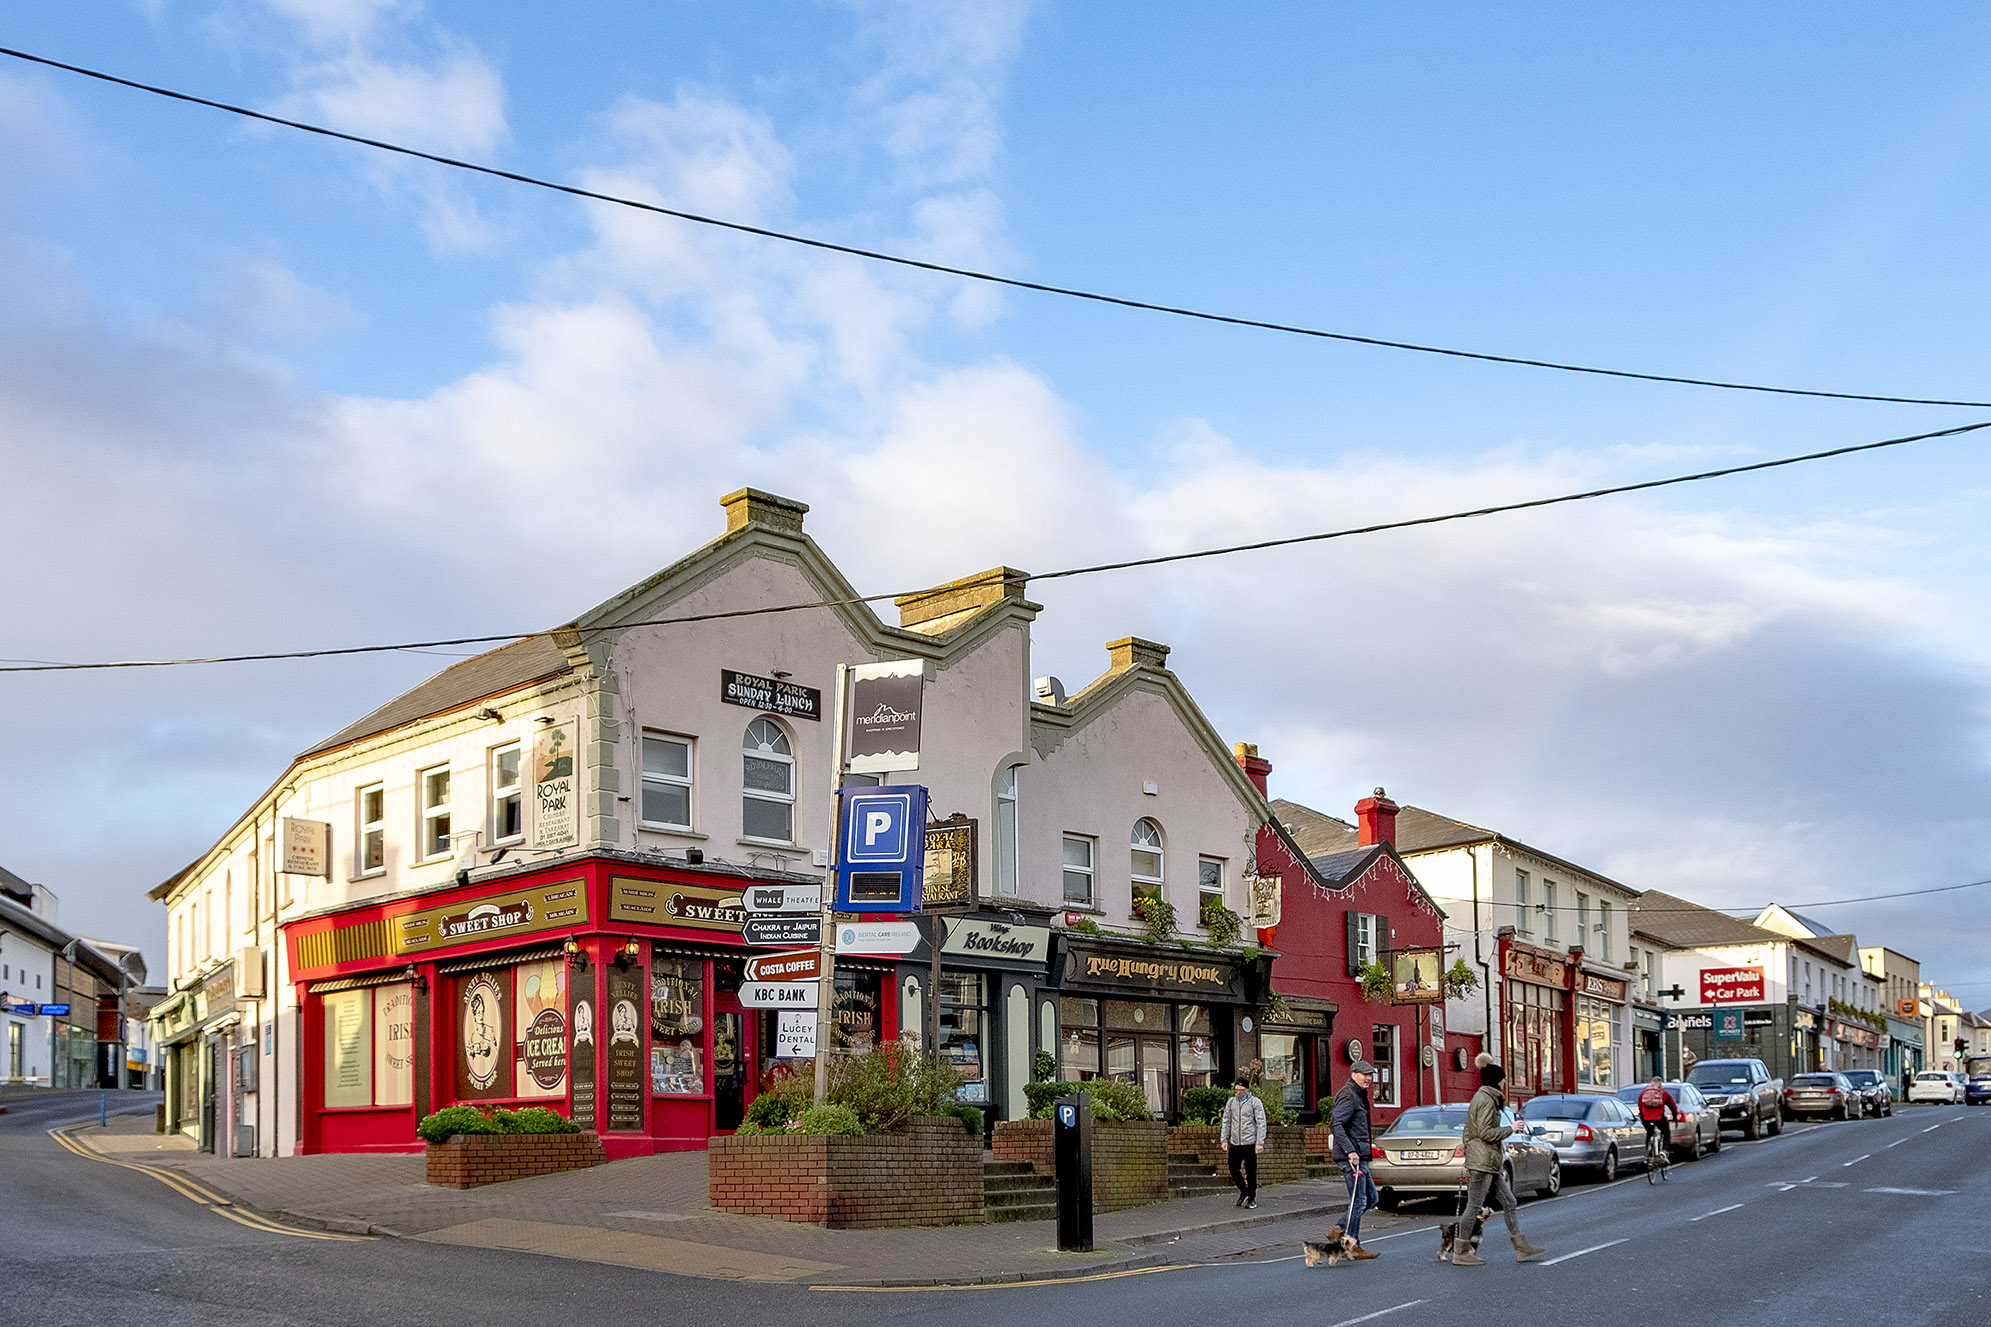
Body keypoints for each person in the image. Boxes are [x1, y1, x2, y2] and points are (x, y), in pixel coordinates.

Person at [1450, 1054, 1547, 1266]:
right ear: (1497, 1080)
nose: (1505, 1083)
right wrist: (1509, 1129)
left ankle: (1521, 1248)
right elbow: (1484, 1132)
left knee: (1510, 1201)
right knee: (1474, 1206)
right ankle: (1461, 1251)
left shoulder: (1487, 1098)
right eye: (1503, 1079)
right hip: (1482, 1162)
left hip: (1489, 1161)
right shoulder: (1485, 1100)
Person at [1328, 1060, 1382, 1258]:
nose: (1368, 1078)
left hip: (1360, 1157)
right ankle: (1352, 1245)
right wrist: (1351, 1151)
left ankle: (1339, 1230)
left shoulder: (1357, 1095)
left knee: (1372, 1198)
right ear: (1353, 1074)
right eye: (1364, 1074)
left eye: (1370, 1075)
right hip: (1351, 1158)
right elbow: (1336, 1124)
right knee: (1359, 1201)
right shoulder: (1349, 1096)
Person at [1219, 1076, 1267, 1208]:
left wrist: (1259, 1142)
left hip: (1250, 1142)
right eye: (1236, 1090)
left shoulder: (1255, 1102)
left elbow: (1261, 1123)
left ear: (1246, 1090)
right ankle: (1244, 1191)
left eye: (1241, 1090)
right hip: (1235, 1142)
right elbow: (1226, 1120)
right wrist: (1224, 1139)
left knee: (1250, 1171)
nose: (1238, 1093)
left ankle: (1251, 1197)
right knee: (1233, 1168)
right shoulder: (1231, 1102)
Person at [1636, 1076, 1681, 1164]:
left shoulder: (1644, 1092)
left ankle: (1648, 1153)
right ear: (1660, 1084)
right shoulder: (1663, 1093)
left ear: (1651, 1083)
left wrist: (1642, 1115)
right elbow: (1672, 1106)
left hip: (1646, 1118)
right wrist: (1675, 1116)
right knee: (1666, 1132)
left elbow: (1640, 1105)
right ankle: (1664, 1151)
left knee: (1649, 1133)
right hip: (1659, 1117)